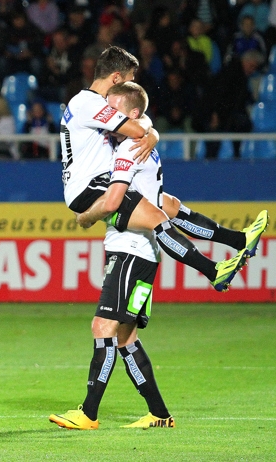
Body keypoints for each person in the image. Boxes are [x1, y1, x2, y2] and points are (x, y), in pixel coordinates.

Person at [50, 82, 270, 430]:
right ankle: (159, 413)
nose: (109, 110)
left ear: (132, 114)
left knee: (103, 327)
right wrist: (234, 237)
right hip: (147, 256)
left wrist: (84, 216)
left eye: (115, 105)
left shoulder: (125, 151)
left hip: (129, 250)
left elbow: (112, 202)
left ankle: (88, 414)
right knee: (125, 337)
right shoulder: (145, 145)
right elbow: (171, 206)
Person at [60, 45, 247, 293]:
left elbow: (140, 118)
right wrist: (150, 133)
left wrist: (153, 132)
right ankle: (213, 271)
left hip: (92, 184)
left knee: (165, 204)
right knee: (158, 219)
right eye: (129, 79)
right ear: (116, 78)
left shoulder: (91, 103)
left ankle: (236, 241)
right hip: (91, 186)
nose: (131, 85)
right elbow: (138, 128)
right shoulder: (89, 103)